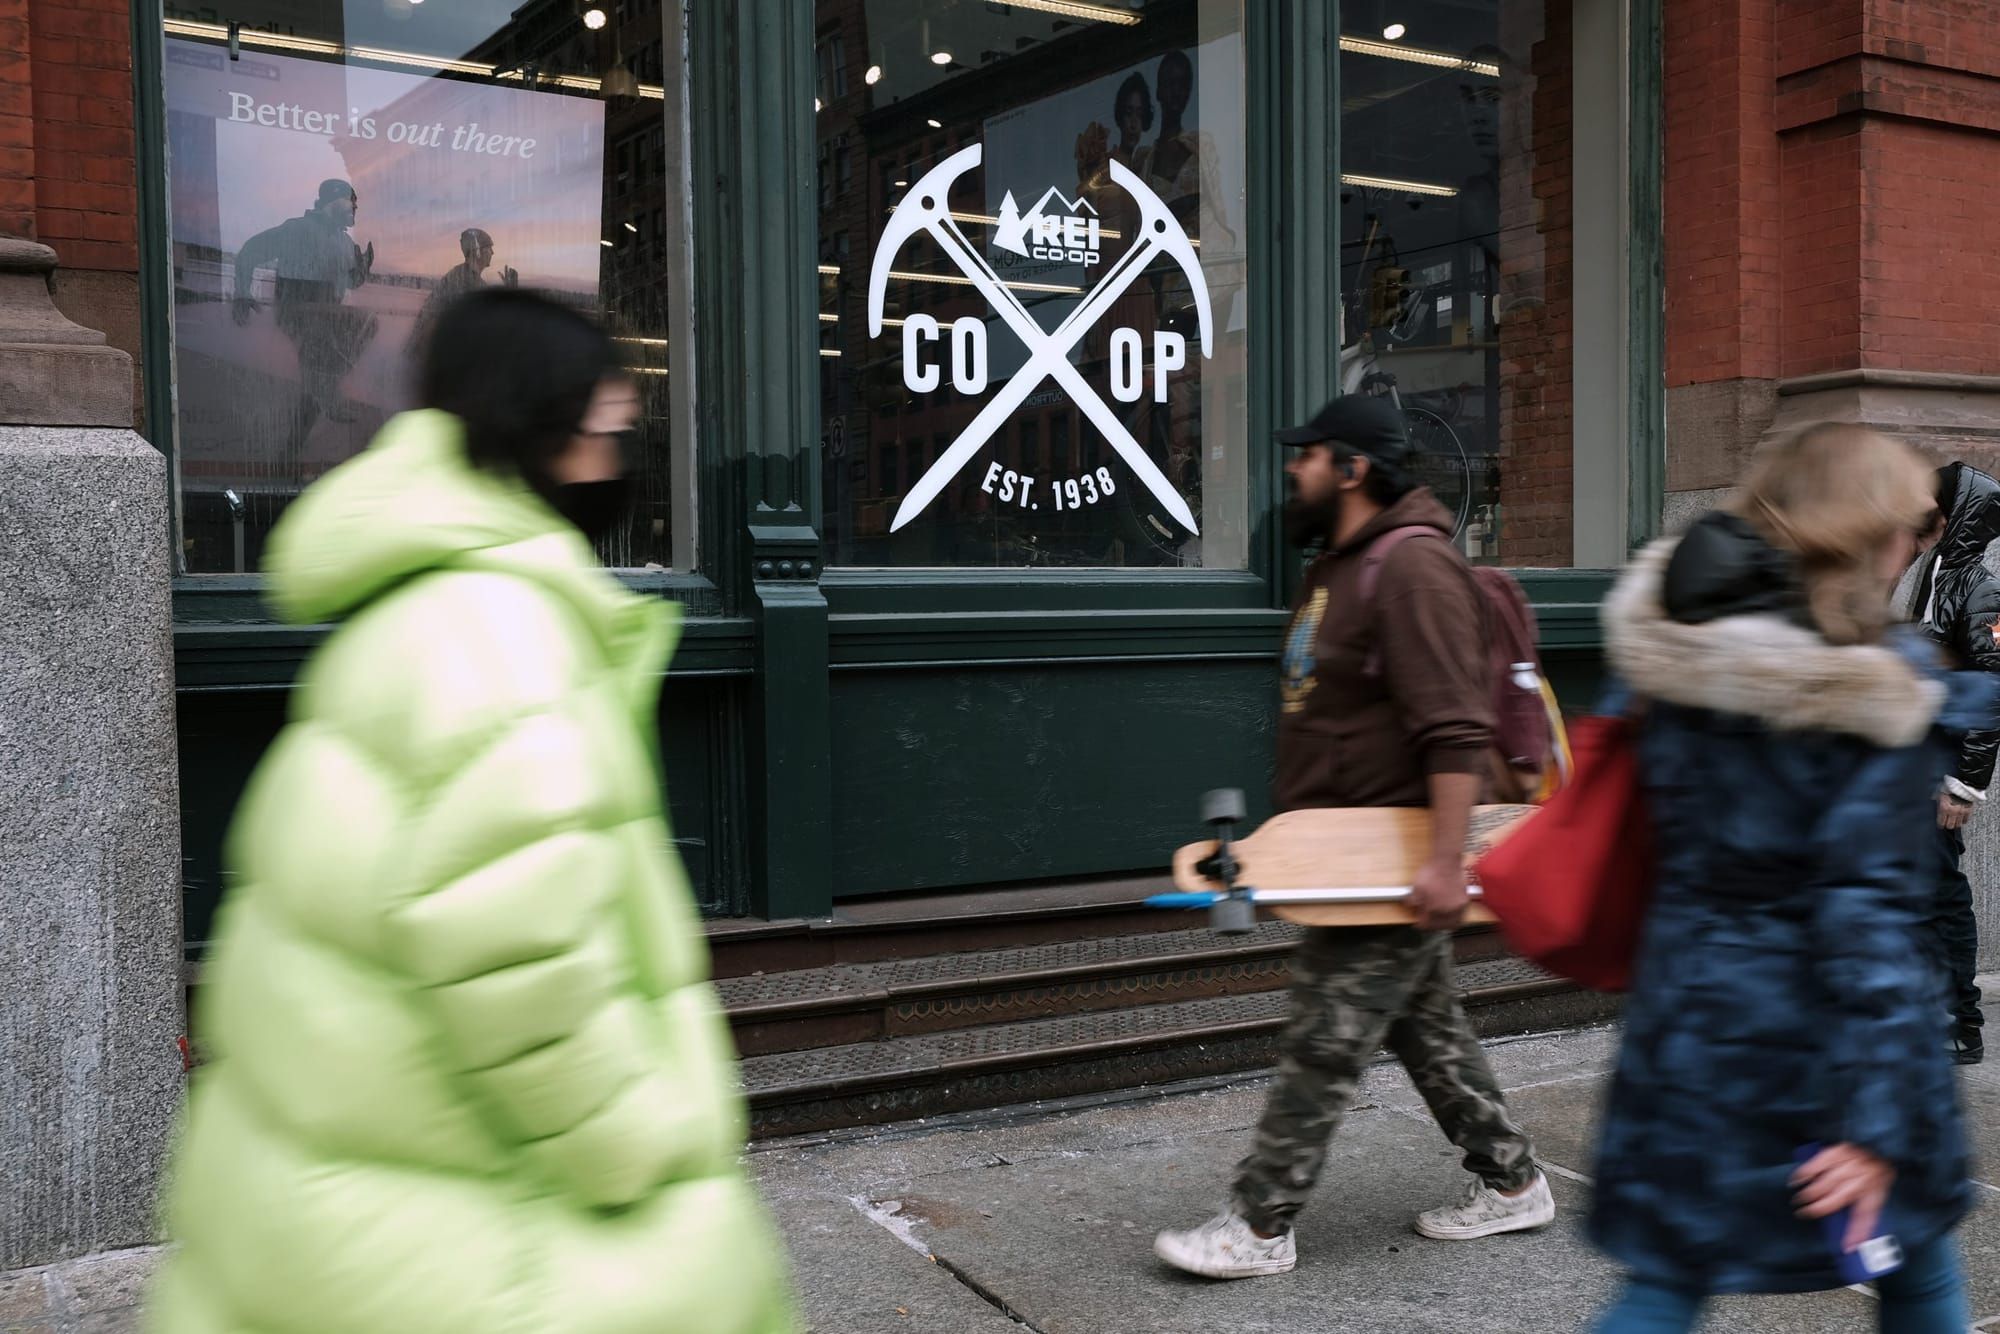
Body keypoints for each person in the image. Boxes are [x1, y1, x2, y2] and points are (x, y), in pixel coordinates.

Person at [147, 288, 796, 1334]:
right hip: (474, 1241)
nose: (614, 462)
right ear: (535, 434)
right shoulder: (502, 635)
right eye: (605, 432)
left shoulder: (418, 599)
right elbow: (517, 948)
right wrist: (631, 1136)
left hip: (358, 1209)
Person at [1590, 424, 1991, 1332]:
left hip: (1689, 1023)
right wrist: (1881, 1120)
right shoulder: (1871, 692)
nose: (1911, 549)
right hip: (1823, 1042)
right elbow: (1870, 918)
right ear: (1863, 534)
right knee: (1916, 1270)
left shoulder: (1672, 658)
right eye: (1906, 527)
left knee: (1666, 1277)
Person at [1153, 395, 1552, 1281]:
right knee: (1426, 1028)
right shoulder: (1340, 565)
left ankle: (1260, 1225)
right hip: (1346, 856)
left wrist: (1447, 865)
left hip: (1395, 856)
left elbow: (1452, 728)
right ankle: (1515, 1183)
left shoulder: (1411, 570)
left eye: (1308, 457)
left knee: (1325, 1039)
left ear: (1353, 468)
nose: (1292, 470)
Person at [1909, 461, 1999, 1065]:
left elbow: (1994, 688)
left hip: (1942, 760)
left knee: (1941, 891)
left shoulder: (1980, 586)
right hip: (1913, 755)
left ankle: (1961, 1022)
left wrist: (1965, 784)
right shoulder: (1932, 573)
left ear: (1952, 514)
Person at [232, 179, 378, 456]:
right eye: (351, 201)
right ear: (333, 202)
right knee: (323, 365)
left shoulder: (345, 242)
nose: (355, 208)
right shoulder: (296, 229)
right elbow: (250, 251)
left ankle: (292, 447)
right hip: (298, 311)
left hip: (327, 315)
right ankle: (326, 389)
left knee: (357, 333)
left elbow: (347, 283)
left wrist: (361, 271)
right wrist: (241, 292)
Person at [410, 227, 520, 356]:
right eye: (489, 248)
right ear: (478, 251)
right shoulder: (462, 280)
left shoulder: (467, 278)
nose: (493, 252)